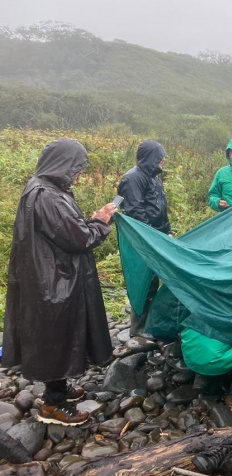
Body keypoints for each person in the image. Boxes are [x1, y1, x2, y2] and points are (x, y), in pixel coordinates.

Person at [3, 138, 118, 425]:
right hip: (54, 280)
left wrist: (89, 220)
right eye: (76, 169)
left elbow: (66, 231)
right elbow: (79, 239)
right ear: (62, 165)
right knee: (56, 336)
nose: (77, 175)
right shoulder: (48, 196)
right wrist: (102, 223)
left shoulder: (42, 188)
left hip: (47, 276)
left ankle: (57, 389)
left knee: (54, 335)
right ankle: (54, 406)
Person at [118, 140, 171, 337]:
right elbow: (135, 212)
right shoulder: (133, 178)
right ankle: (138, 328)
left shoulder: (153, 176)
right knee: (143, 282)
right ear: (149, 157)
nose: (163, 159)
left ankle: (149, 320)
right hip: (143, 240)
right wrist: (151, 237)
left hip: (156, 236)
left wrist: (167, 231)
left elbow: (160, 208)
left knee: (153, 280)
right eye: (159, 156)